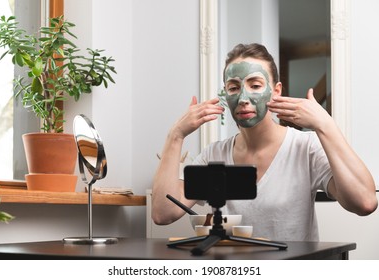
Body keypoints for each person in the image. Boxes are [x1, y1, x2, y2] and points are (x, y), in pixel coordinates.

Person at [152, 43, 377, 241]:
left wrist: (326, 126)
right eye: (233, 87)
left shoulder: (304, 147)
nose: (243, 99)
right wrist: (175, 135)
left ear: (275, 91)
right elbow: (163, 214)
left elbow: (364, 203)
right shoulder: (214, 156)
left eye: (256, 85)